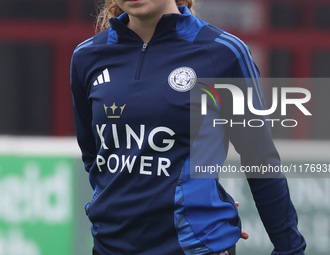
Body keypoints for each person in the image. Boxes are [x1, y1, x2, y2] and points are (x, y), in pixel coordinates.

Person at [70, 0, 306, 254]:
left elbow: (260, 160)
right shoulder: (86, 57)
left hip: (195, 248)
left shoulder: (224, 53)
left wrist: (289, 248)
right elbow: (97, 159)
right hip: (110, 248)